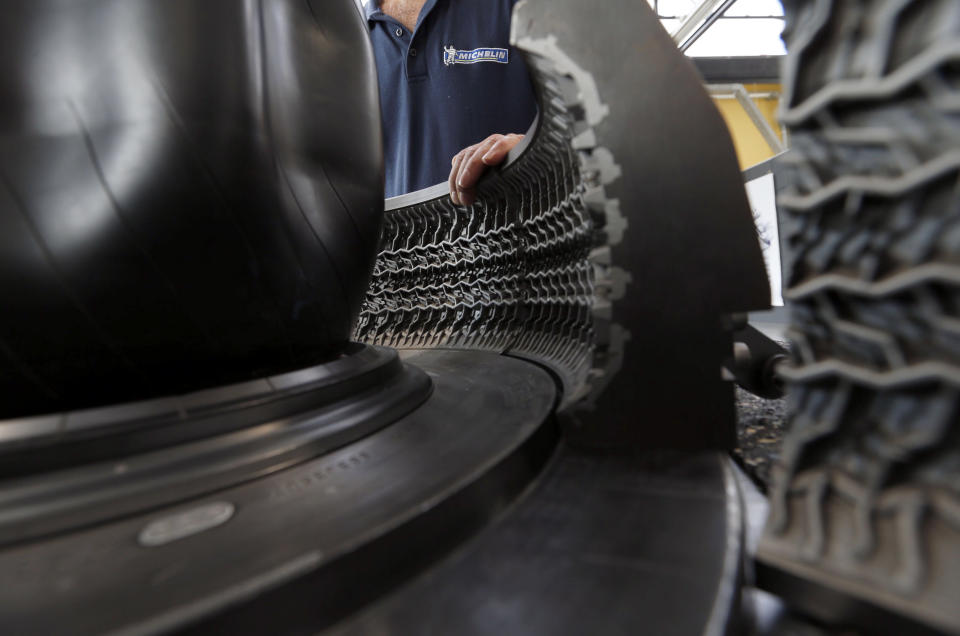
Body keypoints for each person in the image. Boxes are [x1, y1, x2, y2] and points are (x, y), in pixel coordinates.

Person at [364, 0, 538, 204]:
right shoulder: (350, 42)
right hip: (407, 235)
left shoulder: (520, 6)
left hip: (524, 227)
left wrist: (529, 151)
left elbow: (579, 131)